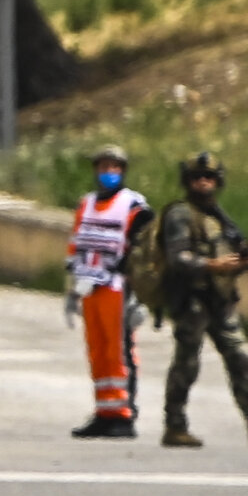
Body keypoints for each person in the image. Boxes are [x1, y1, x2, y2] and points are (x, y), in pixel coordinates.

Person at [153, 153, 248, 448]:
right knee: (186, 364)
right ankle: (174, 425)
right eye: (197, 178)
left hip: (219, 298)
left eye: (209, 177)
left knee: (240, 359)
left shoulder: (216, 214)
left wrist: (240, 261)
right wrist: (211, 265)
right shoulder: (181, 214)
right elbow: (177, 257)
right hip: (192, 298)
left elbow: (234, 245)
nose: (203, 183)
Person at [65, 144, 150, 437]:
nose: (108, 173)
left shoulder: (133, 205)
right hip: (89, 285)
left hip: (117, 286)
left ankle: (124, 414)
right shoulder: (86, 204)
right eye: (103, 167)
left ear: (123, 171)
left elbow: (144, 248)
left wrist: (138, 291)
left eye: (114, 167)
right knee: (98, 350)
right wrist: (72, 289)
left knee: (118, 351)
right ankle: (104, 411)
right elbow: (76, 244)